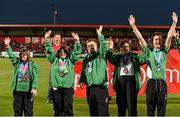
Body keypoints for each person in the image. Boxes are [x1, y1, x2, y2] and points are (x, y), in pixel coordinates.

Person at [128, 12, 178, 116]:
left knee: (161, 111)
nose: (158, 41)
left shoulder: (164, 52)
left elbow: (169, 38)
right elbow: (140, 38)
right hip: (150, 84)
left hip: (161, 84)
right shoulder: (148, 52)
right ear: (152, 41)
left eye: (159, 40)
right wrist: (133, 25)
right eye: (156, 39)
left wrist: (174, 23)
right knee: (150, 111)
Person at [44, 30, 82, 116]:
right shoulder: (54, 60)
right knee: (57, 107)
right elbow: (49, 51)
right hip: (56, 88)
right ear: (58, 53)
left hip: (67, 88)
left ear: (67, 53)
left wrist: (77, 41)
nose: (62, 53)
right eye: (60, 52)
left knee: (67, 106)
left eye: (64, 52)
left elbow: (76, 53)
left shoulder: (70, 60)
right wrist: (46, 39)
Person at [106, 39, 146, 116]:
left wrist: (143, 48)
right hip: (120, 82)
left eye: (127, 46)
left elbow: (143, 59)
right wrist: (110, 47)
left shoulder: (134, 55)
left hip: (132, 81)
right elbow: (110, 57)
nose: (126, 48)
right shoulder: (117, 56)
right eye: (124, 47)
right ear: (120, 48)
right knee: (121, 106)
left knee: (132, 106)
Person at [4, 37, 38, 116]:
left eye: (25, 54)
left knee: (28, 112)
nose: (23, 56)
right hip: (17, 91)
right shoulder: (17, 63)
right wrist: (7, 46)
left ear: (28, 55)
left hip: (28, 91)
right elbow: (12, 56)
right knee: (17, 112)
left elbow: (35, 77)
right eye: (22, 54)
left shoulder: (33, 65)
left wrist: (34, 87)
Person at [79, 25, 109, 116]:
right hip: (90, 89)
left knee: (103, 113)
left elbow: (103, 44)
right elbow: (83, 71)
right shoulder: (86, 59)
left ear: (97, 46)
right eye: (88, 46)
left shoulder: (101, 54)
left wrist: (100, 34)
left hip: (101, 88)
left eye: (92, 45)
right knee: (93, 112)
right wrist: (82, 80)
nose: (90, 47)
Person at [47, 33, 62, 104]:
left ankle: (58, 98)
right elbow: (49, 57)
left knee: (59, 84)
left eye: (59, 37)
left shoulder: (63, 47)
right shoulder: (51, 47)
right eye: (56, 37)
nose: (57, 39)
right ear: (54, 39)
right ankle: (49, 98)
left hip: (61, 69)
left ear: (60, 39)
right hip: (52, 68)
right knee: (51, 84)